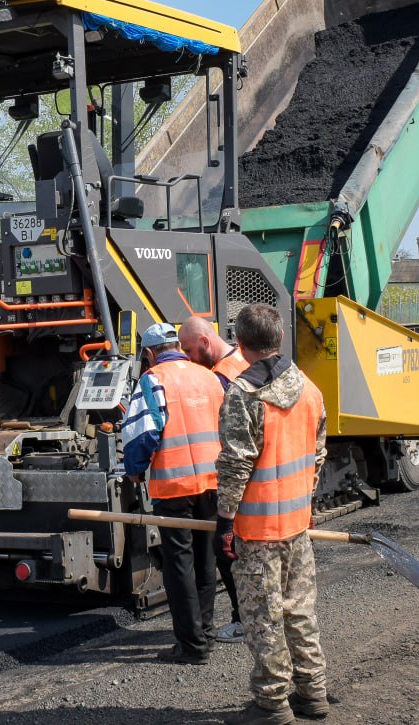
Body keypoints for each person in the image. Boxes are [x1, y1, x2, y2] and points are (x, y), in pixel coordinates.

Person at [214, 304, 329, 725]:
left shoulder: (244, 395)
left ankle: (271, 704)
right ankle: (312, 694)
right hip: (297, 525)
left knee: (264, 617)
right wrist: (308, 503)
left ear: (240, 344)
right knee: (300, 611)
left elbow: (235, 463)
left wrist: (225, 521)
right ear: (279, 339)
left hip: (257, 530)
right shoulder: (309, 388)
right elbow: (318, 456)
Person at [121, 322, 226, 665]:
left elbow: (143, 433)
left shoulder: (153, 380)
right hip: (212, 485)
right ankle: (207, 634)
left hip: (175, 489)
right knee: (205, 561)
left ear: (150, 354)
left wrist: (135, 470)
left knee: (179, 565)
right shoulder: (209, 377)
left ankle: (191, 645)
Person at [178, 316, 247, 644]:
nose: (189, 358)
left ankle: (243, 618)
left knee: (229, 552)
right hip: (249, 474)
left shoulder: (220, 376)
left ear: (205, 343)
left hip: (232, 476)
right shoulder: (243, 359)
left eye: (190, 350)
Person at [180, 314, 251, 387]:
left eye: (188, 351)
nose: (188, 358)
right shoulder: (247, 354)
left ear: (205, 342)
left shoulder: (220, 378)